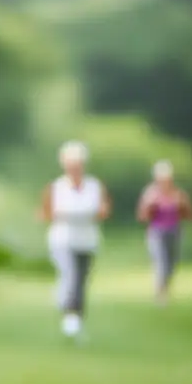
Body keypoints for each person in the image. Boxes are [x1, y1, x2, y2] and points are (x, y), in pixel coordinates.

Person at [39, 141, 111, 339]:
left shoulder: (94, 186)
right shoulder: (57, 186)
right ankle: (68, 314)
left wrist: (89, 213)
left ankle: (76, 317)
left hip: (87, 240)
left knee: (81, 280)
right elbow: (45, 213)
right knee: (69, 275)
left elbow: (104, 210)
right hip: (63, 239)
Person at [137, 160, 192, 304]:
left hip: (174, 232)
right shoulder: (151, 193)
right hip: (156, 233)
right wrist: (150, 206)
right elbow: (142, 217)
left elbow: (189, 215)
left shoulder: (178, 193)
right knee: (160, 263)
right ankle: (161, 294)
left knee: (171, 264)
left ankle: (165, 288)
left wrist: (182, 205)